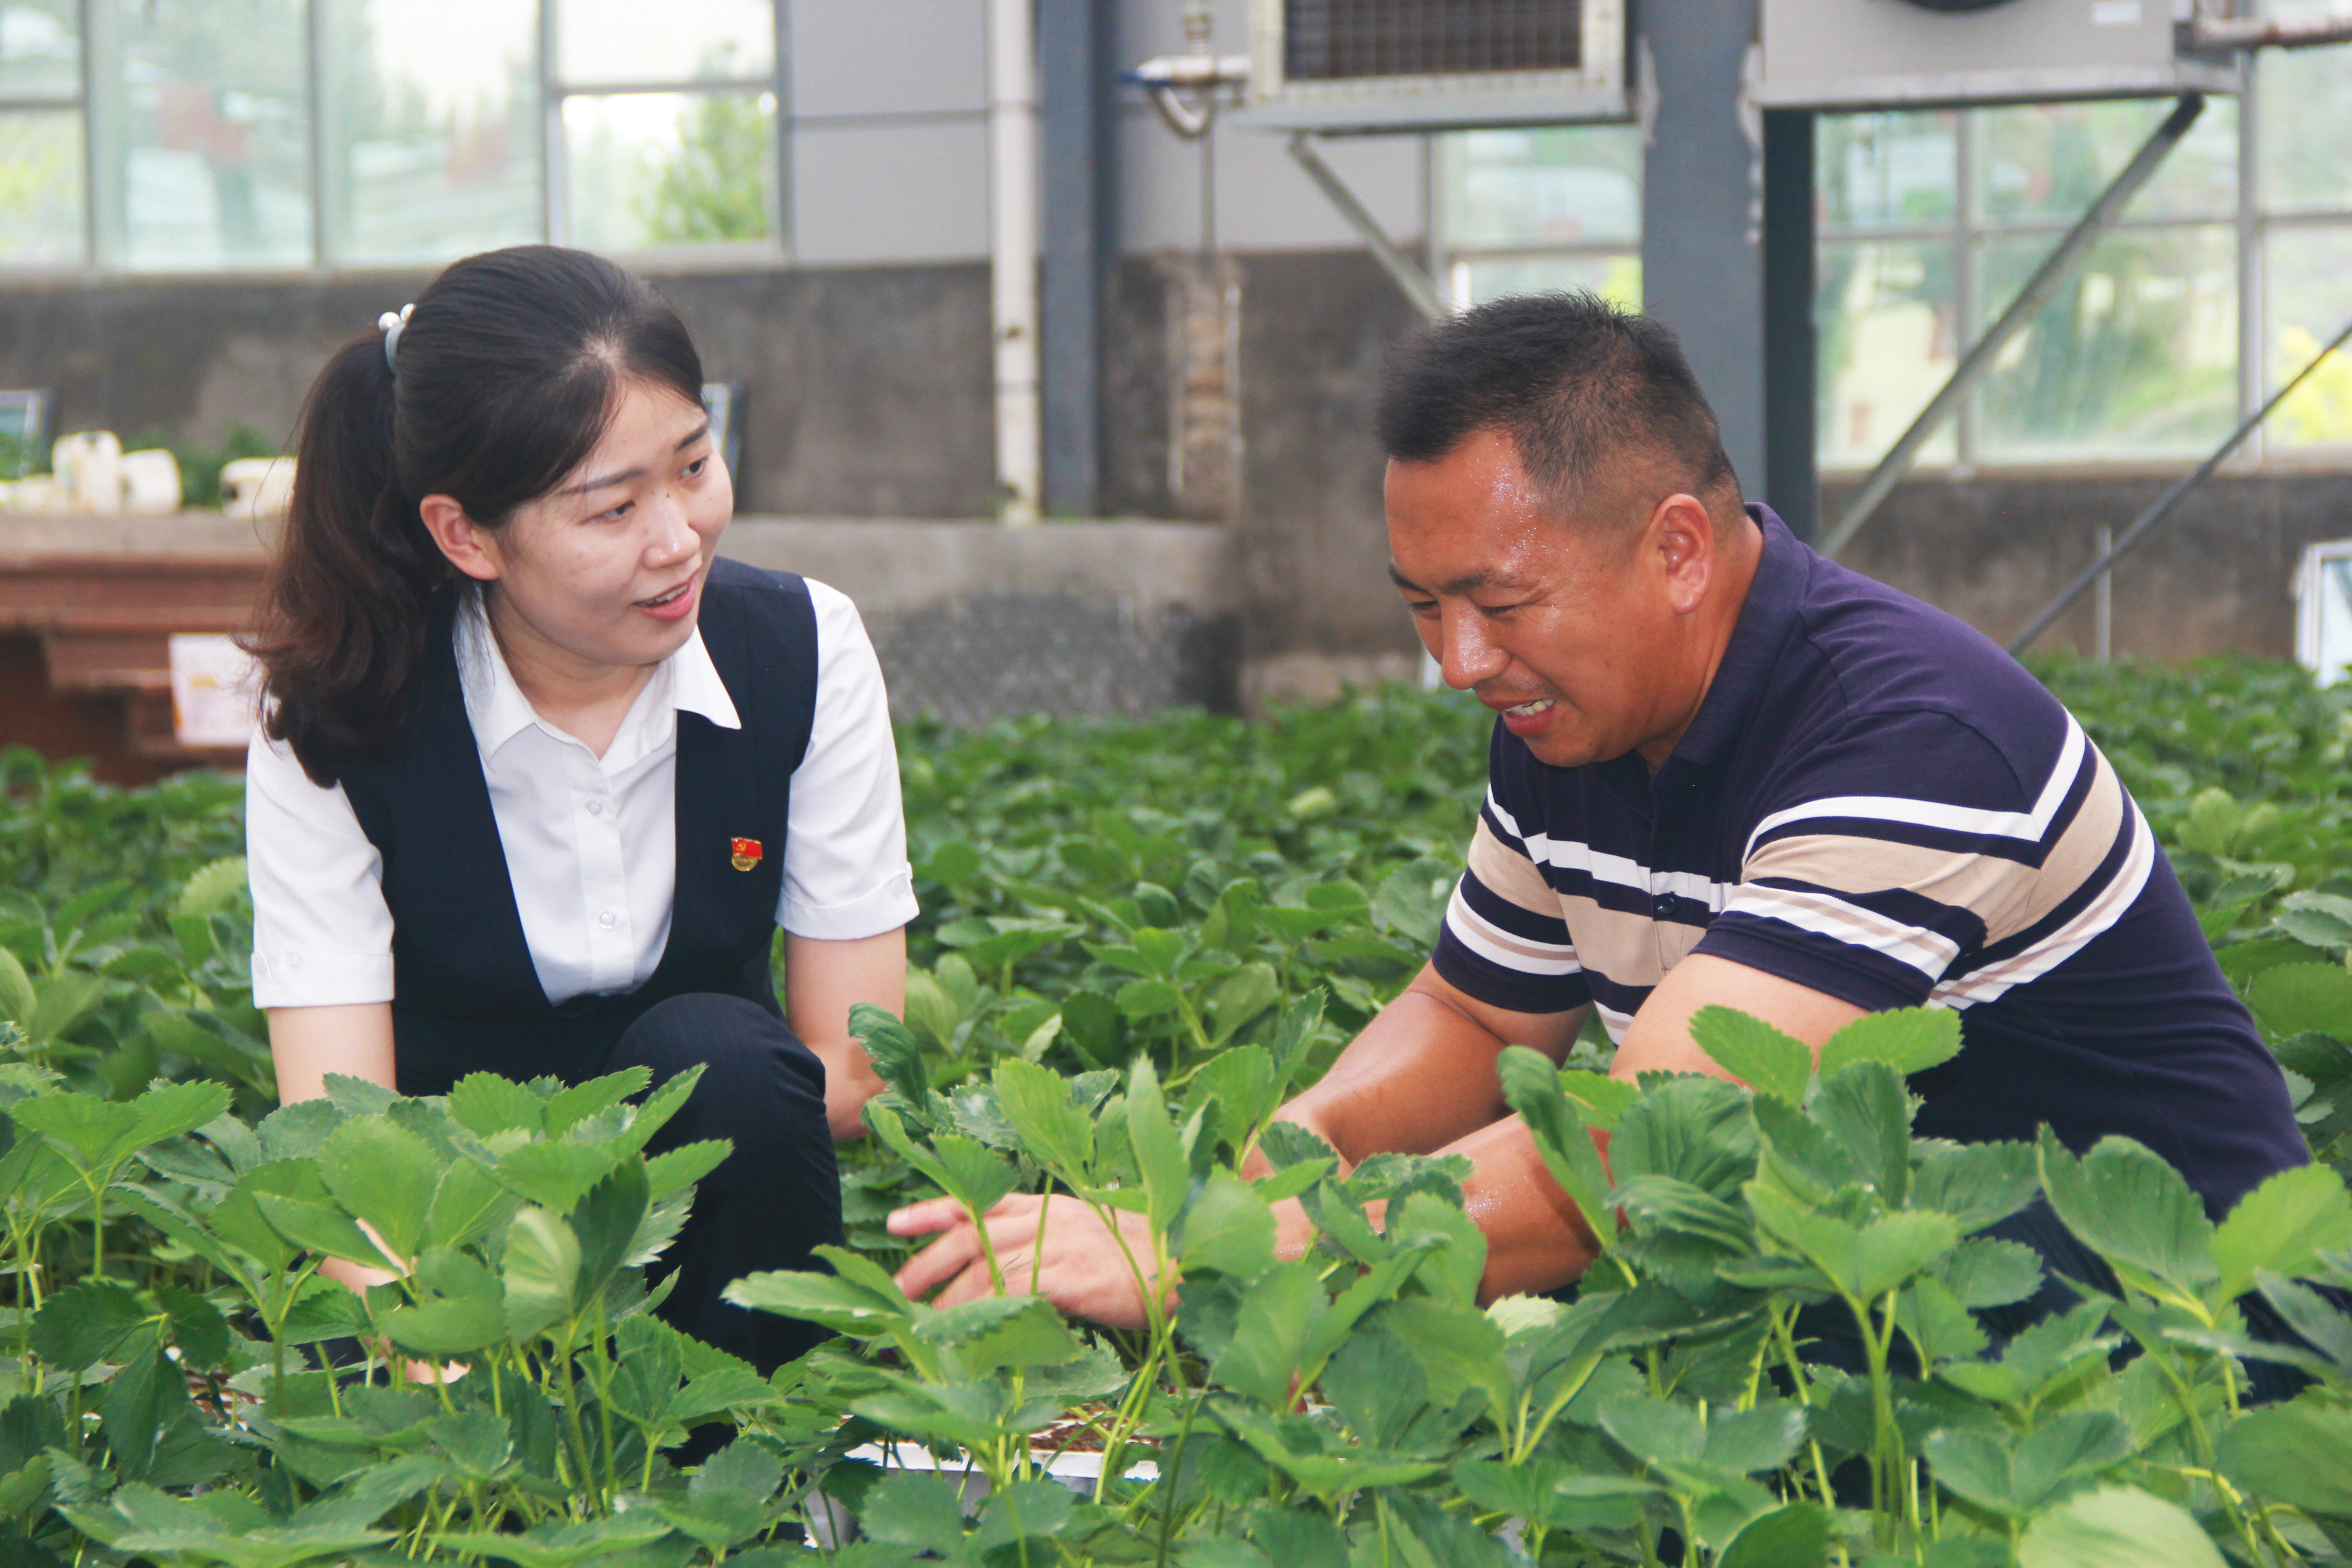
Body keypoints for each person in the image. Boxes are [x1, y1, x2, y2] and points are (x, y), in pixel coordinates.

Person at [889, 293, 2308, 1343]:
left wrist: (1211, 1262)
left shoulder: (1911, 737)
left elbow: (1648, 1151)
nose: (1458, 661)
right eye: (1423, 608)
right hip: (1861, 1301)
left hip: (2164, 1330)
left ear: (1678, 547)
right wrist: (1245, 1177)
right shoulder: (1572, 715)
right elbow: (1479, 1021)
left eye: (1497, 602)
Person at [245, 245, 916, 1372]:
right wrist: (437, 1369)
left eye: (695, 465)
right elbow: (344, 1139)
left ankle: (758, 1477)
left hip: (719, 1204)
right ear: (466, 535)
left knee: (726, 1059)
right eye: (610, 510)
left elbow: (848, 1069)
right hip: (446, 1230)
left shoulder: (801, 649)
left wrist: (620, 1174)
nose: (679, 538)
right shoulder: (345, 718)